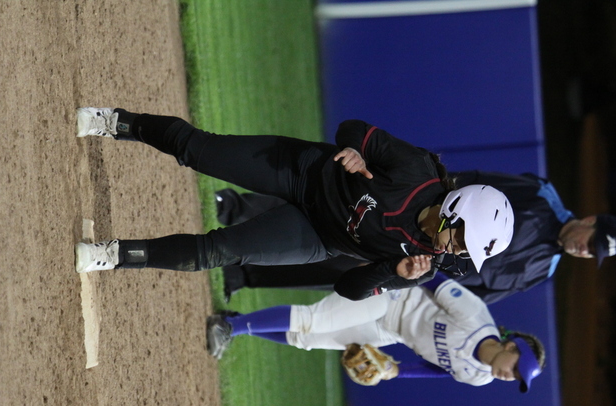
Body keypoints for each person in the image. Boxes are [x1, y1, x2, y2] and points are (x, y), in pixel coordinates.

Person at [73, 107, 515, 300]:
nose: (456, 252)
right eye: (463, 240)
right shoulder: (417, 170)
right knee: (197, 150)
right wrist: (356, 151)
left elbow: (346, 288)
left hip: (318, 235)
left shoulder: (418, 265)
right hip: (303, 170)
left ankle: (112, 256)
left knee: (220, 251)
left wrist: (391, 273)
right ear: (458, 209)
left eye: (464, 252)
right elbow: (353, 127)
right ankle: (115, 122)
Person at [214, 169, 616, 303]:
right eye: (591, 241)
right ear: (589, 220)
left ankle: (245, 276)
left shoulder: (545, 269)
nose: (583, 249)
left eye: (591, 254)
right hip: (422, 224)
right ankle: (235, 205)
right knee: (329, 221)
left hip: (423, 269)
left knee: (330, 270)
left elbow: (484, 293)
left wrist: (424, 286)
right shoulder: (541, 195)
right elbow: (478, 184)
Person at [205, 273, 546, 392]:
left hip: (389, 331)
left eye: (516, 379)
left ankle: (239, 322)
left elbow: (440, 370)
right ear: (512, 346)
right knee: (313, 320)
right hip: (393, 296)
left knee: (303, 339)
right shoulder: (475, 316)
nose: (509, 376)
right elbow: (431, 279)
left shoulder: (479, 377)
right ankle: (227, 327)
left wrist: (395, 371)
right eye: (517, 368)